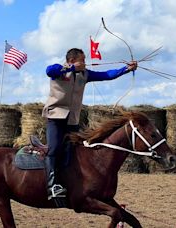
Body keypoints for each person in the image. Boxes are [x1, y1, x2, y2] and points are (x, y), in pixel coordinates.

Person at [42, 48, 137, 200]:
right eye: (83, 60)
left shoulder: (85, 74)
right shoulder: (59, 70)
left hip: (72, 119)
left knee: (77, 150)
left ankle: (72, 182)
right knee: (54, 149)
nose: (85, 63)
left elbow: (107, 75)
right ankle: (52, 186)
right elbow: (49, 70)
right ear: (72, 60)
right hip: (56, 117)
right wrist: (71, 68)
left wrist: (126, 69)